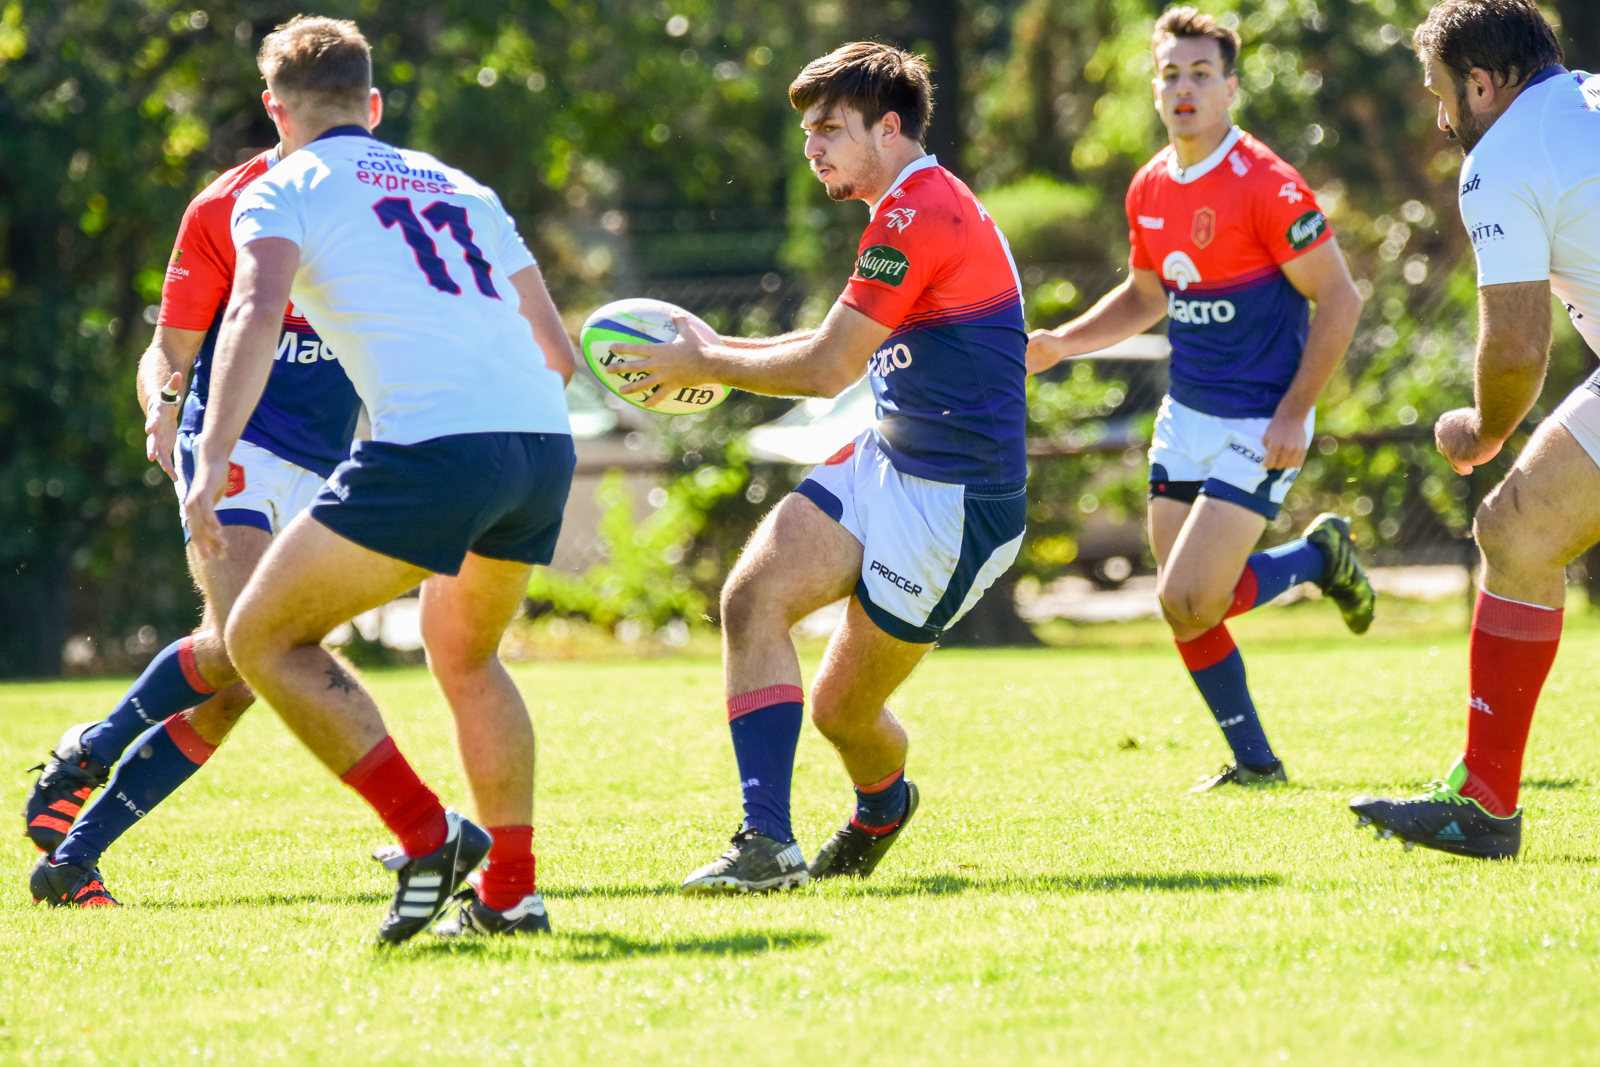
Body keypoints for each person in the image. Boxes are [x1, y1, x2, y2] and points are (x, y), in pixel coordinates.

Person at [175, 15, 573, 941]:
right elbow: (555, 350)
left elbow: (254, 312)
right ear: (375, 105)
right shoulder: (463, 186)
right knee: (467, 655)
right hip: (541, 442)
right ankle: (511, 893)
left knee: (261, 637)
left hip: (438, 448)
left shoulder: (280, 186)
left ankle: (428, 836)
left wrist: (209, 456)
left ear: (275, 111)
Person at [610, 42, 1028, 893]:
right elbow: (834, 342)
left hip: (954, 503)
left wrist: (707, 363)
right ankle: (766, 841)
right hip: (889, 457)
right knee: (751, 599)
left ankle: (882, 806)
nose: (812, 148)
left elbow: (829, 368)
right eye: (808, 131)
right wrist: (716, 346)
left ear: (888, 128)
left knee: (844, 712)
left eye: (830, 128)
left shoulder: (920, 213)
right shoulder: (905, 208)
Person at [1026, 6, 1370, 791]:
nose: (1185, 88)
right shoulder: (1149, 185)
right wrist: (1062, 343)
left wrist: (1294, 411)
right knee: (1182, 602)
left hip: (1260, 418)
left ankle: (1318, 558)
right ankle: (1257, 762)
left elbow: (1341, 299)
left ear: (1231, 88)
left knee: (1190, 593)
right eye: (1172, 74)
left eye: (1202, 74)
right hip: (1185, 417)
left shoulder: (1268, 184)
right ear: (1156, 87)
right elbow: (1146, 295)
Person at [26, 113, 364, 905]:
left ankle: (75, 840)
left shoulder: (386, 205)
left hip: (323, 464)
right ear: (276, 110)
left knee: (244, 676)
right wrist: (162, 404)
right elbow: (169, 350)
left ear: (372, 111)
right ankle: (88, 768)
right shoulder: (225, 205)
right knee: (245, 637)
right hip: (230, 445)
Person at [1351, 0, 1597, 860]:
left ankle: (1486, 800)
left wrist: (1484, 429)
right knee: (1519, 531)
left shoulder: (1502, 157)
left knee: (1514, 529)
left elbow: (1519, 346)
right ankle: (1485, 798)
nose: (1442, 118)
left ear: (1483, 84)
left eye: (1441, 94)